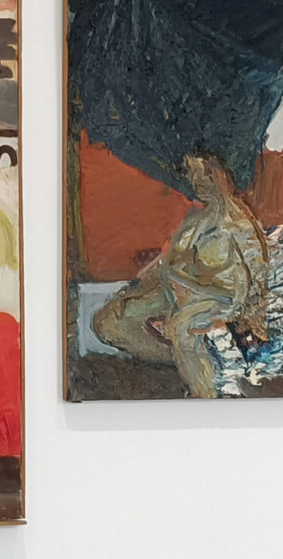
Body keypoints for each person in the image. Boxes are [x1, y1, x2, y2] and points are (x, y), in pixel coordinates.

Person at [92, 152, 269, 397]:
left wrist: (240, 321)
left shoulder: (239, 226)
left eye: (201, 175)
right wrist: (135, 289)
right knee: (109, 322)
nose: (196, 182)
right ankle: (189, 358)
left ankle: (205, 391)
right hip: (171, 293)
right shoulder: (196, 220)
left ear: (218, 177)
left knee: (182, 328)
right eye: (193, 175)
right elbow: (165, 265)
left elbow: (255, 279)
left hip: (214, 301)